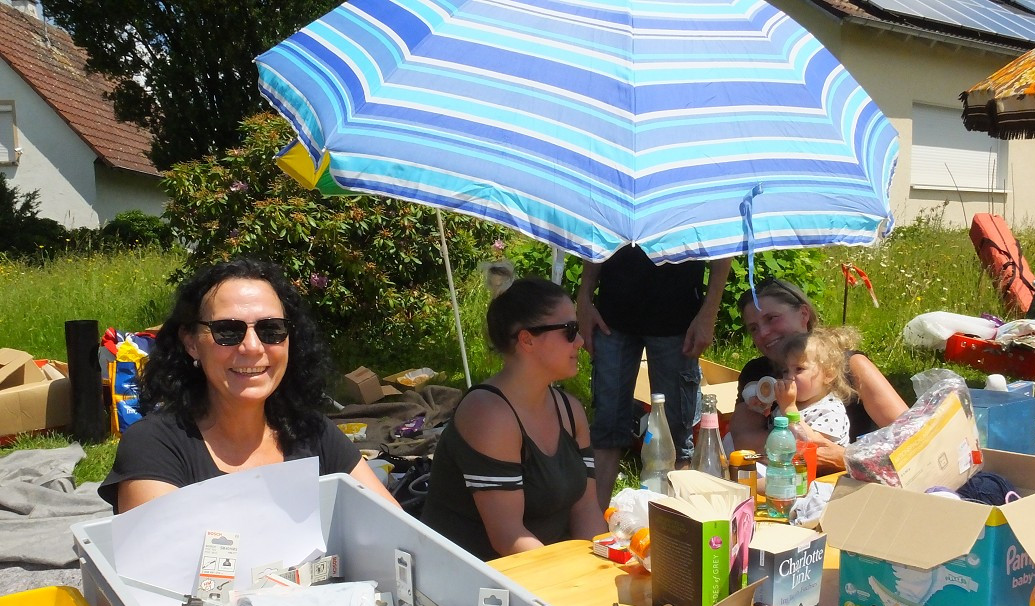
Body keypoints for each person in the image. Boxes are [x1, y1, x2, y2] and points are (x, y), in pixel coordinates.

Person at [99, 257, 399, 513]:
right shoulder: (154, 446)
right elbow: (158, 568)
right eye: (227, 331)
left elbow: (397, 530)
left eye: (272, 329)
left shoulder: (313, 432)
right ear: (191, 342)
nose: (253, 347)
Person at [422, 276, 607, 560]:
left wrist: (600, 567)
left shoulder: (571, 411)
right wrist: (570, 582)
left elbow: (586, 509)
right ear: (527, 339)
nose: (580, 342)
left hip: (545, 569)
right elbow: (508, 537)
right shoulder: (489, 415)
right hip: (480, 580)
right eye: (570, 330)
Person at [576, 245, 732, 509]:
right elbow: (598, 229)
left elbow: (721, 242)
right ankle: (591, 532)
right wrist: (585, 297)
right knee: (606, 429)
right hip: (612, 316)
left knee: (676, 438)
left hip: (676, 319)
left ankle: (676, 530)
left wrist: (709, 311)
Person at [729, 278, 907, 472]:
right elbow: (744, 442)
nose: (762, 333)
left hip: (849, 484)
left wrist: (845, 458)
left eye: (771, 318)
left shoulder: (849, 365)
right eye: (753, 328)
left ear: (804, 314)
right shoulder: (757, 373)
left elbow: (908, 434)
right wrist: (814, 451)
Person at [773, 327, 862, 446]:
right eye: (785, 371)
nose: (789, 376)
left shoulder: (831, 410)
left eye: (799, 369)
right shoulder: (790, 403)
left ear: (828, 374)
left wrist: (788, 408)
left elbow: (811, 444)